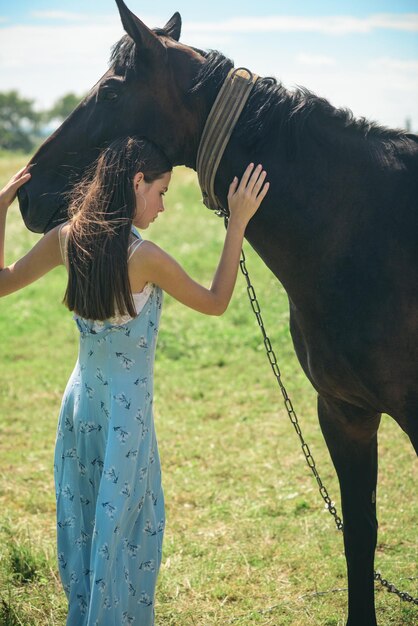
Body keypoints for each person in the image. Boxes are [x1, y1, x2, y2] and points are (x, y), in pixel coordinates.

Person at [0, 136, 269, 626]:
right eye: (161, 192)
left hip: (80, 403)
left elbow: (0, 282)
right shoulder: (144, 256)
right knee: (125, 529)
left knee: (84, 522)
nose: (164, 205)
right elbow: (215, 301)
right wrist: (238, 224)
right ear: (137, 182)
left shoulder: (67, 237)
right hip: (127, 410)